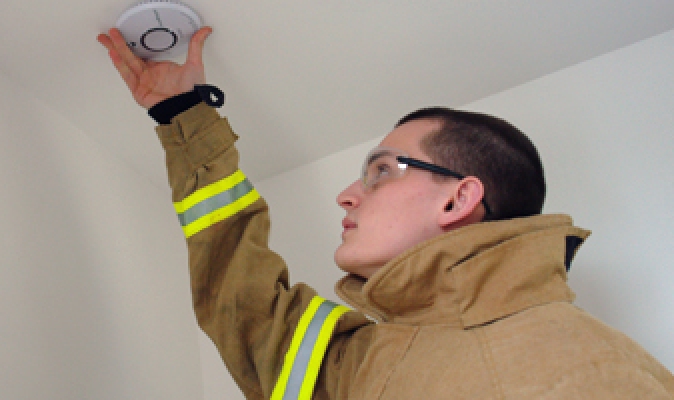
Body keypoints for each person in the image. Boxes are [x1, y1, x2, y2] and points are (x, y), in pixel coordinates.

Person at [98, 27, 674, 399]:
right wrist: (185, 116)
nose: (348, 195)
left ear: (458, 197)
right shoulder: (359, 361)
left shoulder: (590, 368)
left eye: (380, 171)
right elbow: (243, 307)